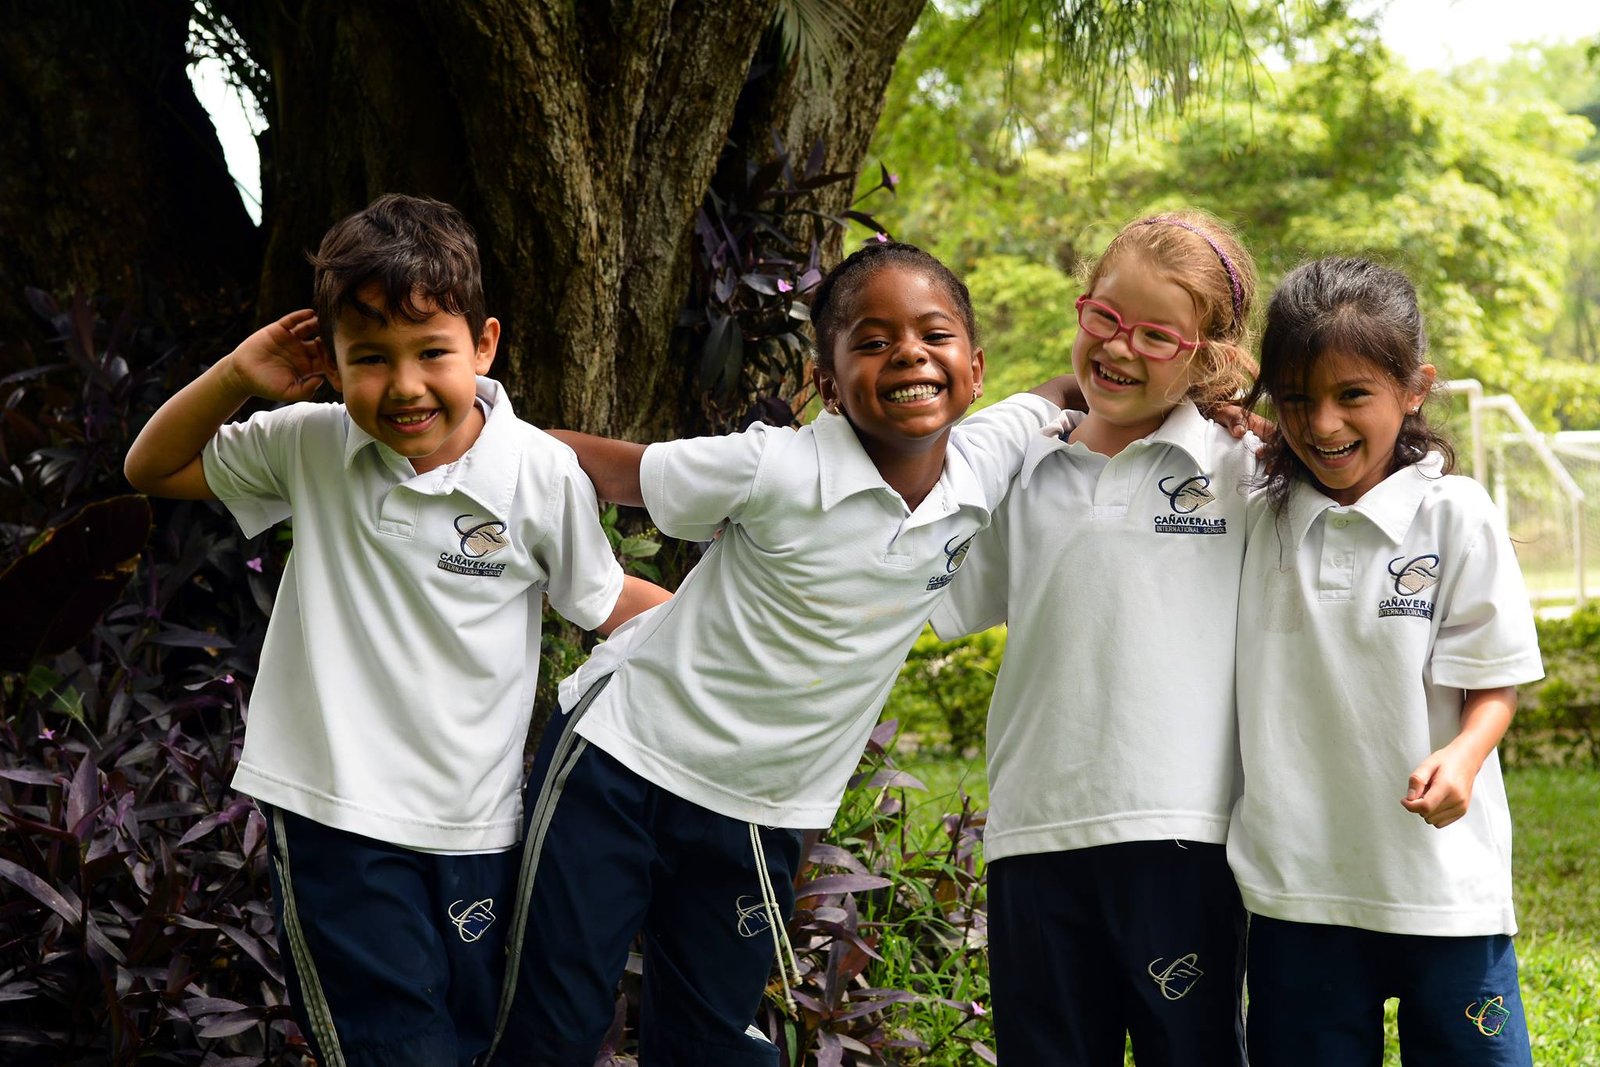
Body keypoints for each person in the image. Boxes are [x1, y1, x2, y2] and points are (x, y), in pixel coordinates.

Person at [484, 241, 1070, 1066]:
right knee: (554, 1024)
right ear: (827, 387)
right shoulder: (776, 466)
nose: (908, 352)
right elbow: (613, 472)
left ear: (974, 369)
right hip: (621, 766)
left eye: (933, 336)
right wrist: (472, 430)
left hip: (765, 811)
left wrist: (1218, 403)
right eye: (872, 341)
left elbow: (1064, 389)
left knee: (710, 1040)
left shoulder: (989, 456)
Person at [123, 194, 665, 1067]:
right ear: (330, 365)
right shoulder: (308, 446)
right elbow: (151, 465)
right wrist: (235, 372)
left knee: (475, 1042)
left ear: (484, 343)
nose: (405, 385)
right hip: (337, 814)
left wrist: (745, 634)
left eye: (431, 353)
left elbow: (604, 599)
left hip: (480, 826)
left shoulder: (538, 472)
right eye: (370, 358)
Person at [930, 210, 1260, 1065]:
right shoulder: (1029, 467)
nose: (1120, 347)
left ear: (1208, 357)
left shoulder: (1239, 471)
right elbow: (939, 599)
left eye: (1159, 335)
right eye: (1106, 318)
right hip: (1034, 835)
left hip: (1180, 838)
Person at [1228, 257, 1544, 1065]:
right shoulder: (1258, 509)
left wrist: (1464, 757)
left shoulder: (1454, 514)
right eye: (1298, 399)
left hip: (1443, 889)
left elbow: (1495, 678)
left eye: (1352, 395)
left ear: (1415, 388)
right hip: (1298, 888)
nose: (1324, 425)